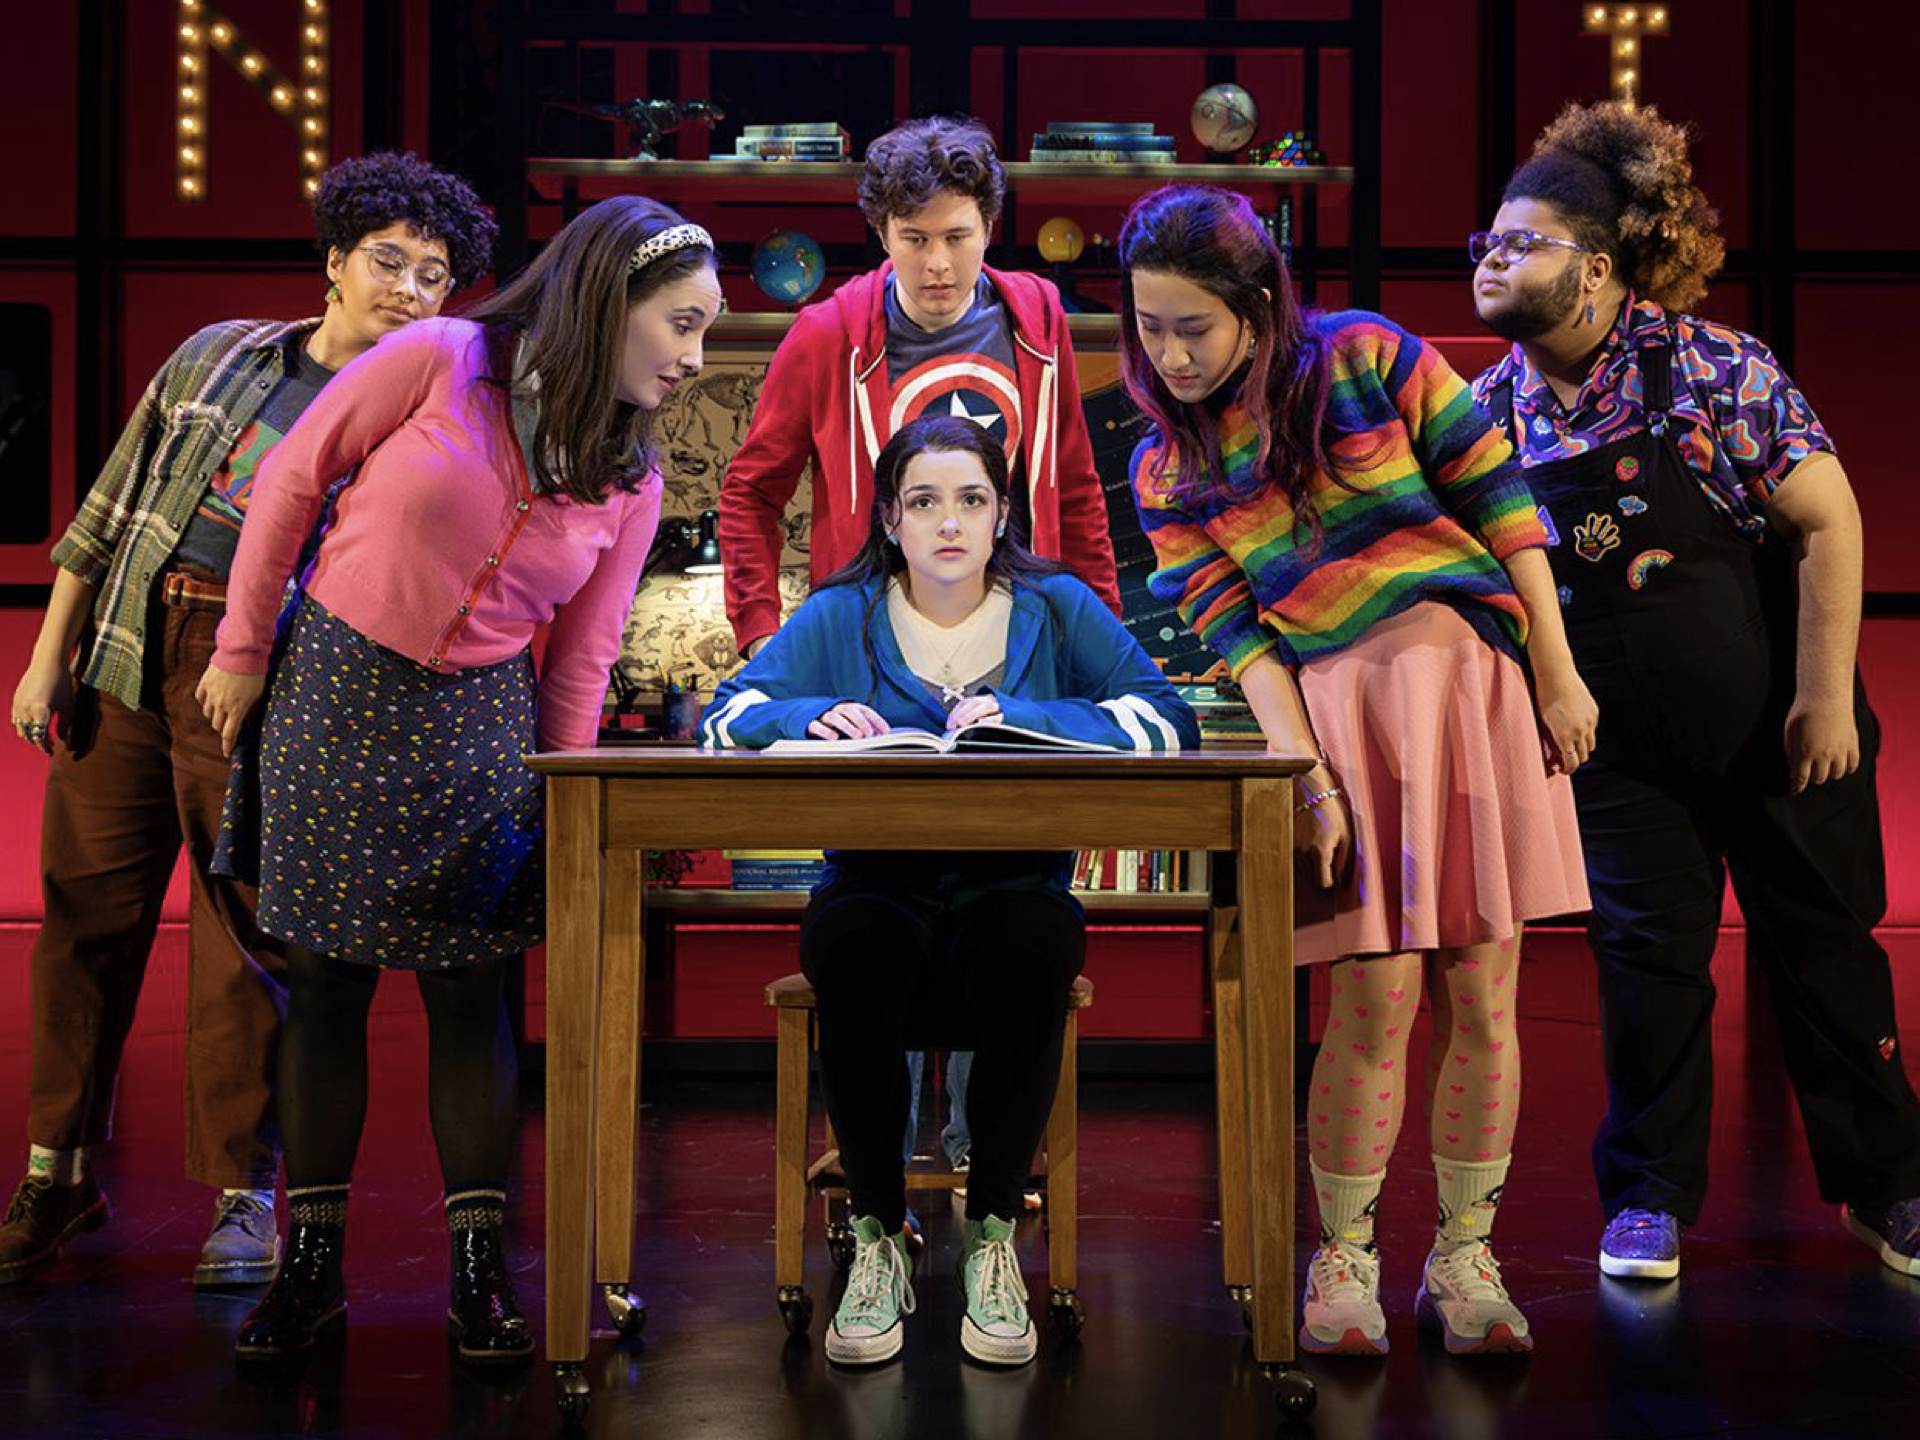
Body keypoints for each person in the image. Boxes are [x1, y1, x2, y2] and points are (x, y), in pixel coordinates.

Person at [194, 196, 720, 1362]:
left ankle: (478, 1284)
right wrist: (241, 652)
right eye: (681, 325)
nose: (692, 357)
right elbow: (288, 487)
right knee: (324, 986)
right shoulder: (442, 357)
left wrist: (568, 796)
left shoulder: (631, 473)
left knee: (471, 995)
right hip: (334, 686)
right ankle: (309, 1277)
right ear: (609, 301)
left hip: (484, 726)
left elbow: (584, 659)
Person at [0, 152, 495, 1289]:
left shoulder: (431, 414)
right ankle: (55, 1172)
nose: (414, 290)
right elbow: (106, 514)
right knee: (87, 922)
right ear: (333, 260)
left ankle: (240, 1198)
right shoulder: (217, 354)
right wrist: (47, 660)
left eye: (437, 275)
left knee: (248, 945)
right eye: (390, 261)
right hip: (131, 651)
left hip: (267, 681)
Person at [1119, 185, 1595, 1357]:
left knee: (1483, 992)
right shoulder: (1167, 466)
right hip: (1337, 720)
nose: (1170, 353)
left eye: (1193, 326)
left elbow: (1504, 501)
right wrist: (1305, 777)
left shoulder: (1369, 357)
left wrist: (1556, 669)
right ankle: (1345, 1260)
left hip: (1472, 692)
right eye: (1150, 326)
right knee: (1371, 997)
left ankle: (1466, 1260)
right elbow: (1243, 643)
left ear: (1257, 307)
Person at [1470, 102, 1920, 1282]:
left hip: (1779, 726)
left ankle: (1890, 1187)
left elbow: (1830, 520)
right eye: (1488, 243)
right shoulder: (1485, 417)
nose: (1492, 260)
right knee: (1646, 968)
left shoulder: (1712, 367)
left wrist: (1823, 698)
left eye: (1523, 244)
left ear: (1601, 268)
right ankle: (1648, 1202)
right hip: (1620, 748)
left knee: (1824, 954)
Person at [701, 415, 1197, 1369]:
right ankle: (878, 1235)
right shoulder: (842, 612)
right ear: (890, 517)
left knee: (1033, 944)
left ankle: (995, 1234)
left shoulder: (1053, 605)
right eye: (923, 502)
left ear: (1000, 510)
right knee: (853, 947)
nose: (948, 523)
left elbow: (1167, 719)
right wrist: (810, 715)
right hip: (875, 886)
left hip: (1013, 887)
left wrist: (1028, 715)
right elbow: (724, 719)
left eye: (971, 500)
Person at [718, 114, 1120, 662]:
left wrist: (1103, 639)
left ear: (988, 227)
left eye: (957, 237)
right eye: (914, 239)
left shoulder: (1038, 317)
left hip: (1020, 643)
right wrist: (760, 631)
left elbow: (1075, 489)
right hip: (870, 647)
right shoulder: (827, 336)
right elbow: (752, 491)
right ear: (883, 233)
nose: (938, 264)